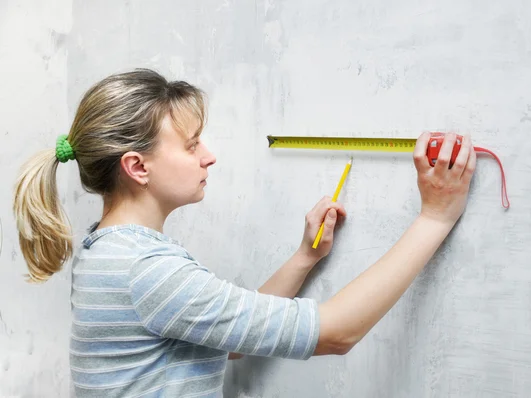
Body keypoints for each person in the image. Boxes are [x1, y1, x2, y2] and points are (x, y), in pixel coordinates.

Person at [13, 68, 476, 397]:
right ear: (137, 167)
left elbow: (223, 338)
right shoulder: (146, 271)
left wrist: (303, 259)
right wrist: (434, 217)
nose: (208, 156)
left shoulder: (107, 252)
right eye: (192, 144)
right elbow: (338, 333)